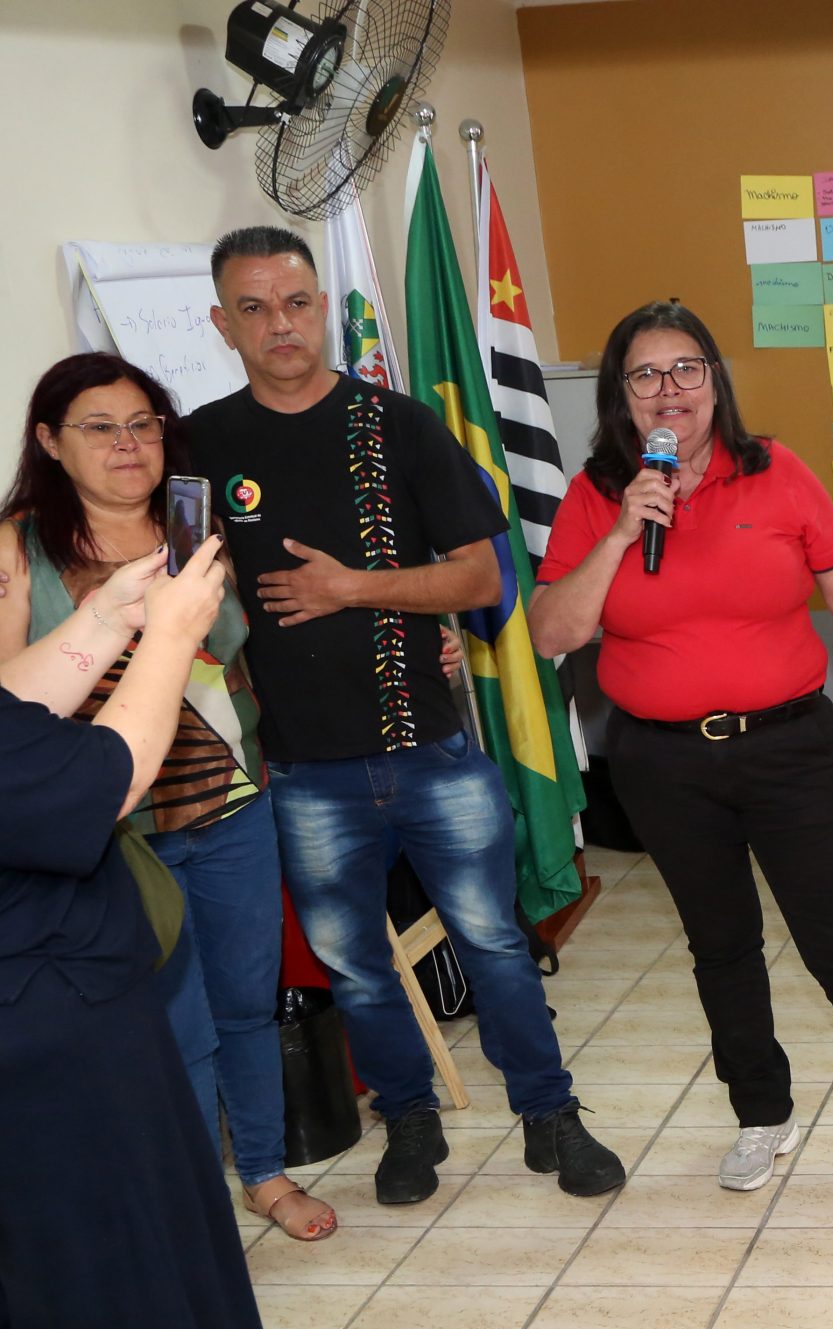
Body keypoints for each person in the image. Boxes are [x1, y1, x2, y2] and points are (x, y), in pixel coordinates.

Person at [188, 224, 624, 1204]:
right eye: (253, 309)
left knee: (496, 943)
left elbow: (479, 572)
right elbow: (185, 580)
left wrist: (353, 590)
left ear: (319, 306)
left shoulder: (397, 424)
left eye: (296, 303)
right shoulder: (202, 446)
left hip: (429, 751)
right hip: (305, 769)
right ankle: (409, 1119)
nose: (280, 326)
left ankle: (550, 1113)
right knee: (355, 965)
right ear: (224, 323)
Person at [527, 302, 833, 1205]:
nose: (670, 391)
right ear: (621, 397)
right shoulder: (598, 496)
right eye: (646, 375)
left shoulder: (775, 472)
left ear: (714, 382)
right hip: (663, 765)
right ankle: (760, 1113)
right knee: (721, 946)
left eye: (686, 369)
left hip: (787, 749)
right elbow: (555, 631)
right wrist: (623, 531)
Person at [0, 533, 303, 1329]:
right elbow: (102, 782)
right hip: (43, 1038)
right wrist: (172, 638)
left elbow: (8, 705)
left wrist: (101, 624)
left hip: (65, 1011)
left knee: (55, 1282)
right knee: (109, 1287)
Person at [0, 352, 335, 1241]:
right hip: (114, 830)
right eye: (99, 428)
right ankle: (192, 1207)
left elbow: (249, 649)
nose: (128, 444)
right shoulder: (19, 546)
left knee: (247, 1001)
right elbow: (8, 702)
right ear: (49, 441)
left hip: (229, 804)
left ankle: (263, 1170)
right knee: (171, 1023)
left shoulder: (199, 525)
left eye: (143, 423)